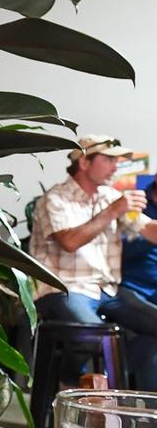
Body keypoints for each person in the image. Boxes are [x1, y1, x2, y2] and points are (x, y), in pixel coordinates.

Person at [29, 134, 157, 387]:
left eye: (116, 161)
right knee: (93, 336)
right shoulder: (55, 199)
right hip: (63, 288)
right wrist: (112, 212)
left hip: (106, 289)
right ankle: (70, 379)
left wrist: (116, 209)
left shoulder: (110, 197)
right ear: (84, 162)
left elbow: (147, 229)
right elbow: (70, 242)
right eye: (109, 159)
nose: (115, 166)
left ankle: (103, 381)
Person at [95, 179, 157, 389]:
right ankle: (108, 376)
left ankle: (109, 377)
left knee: (151, 341)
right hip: (131, 288)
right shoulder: (133, 202)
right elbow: (129, 242)